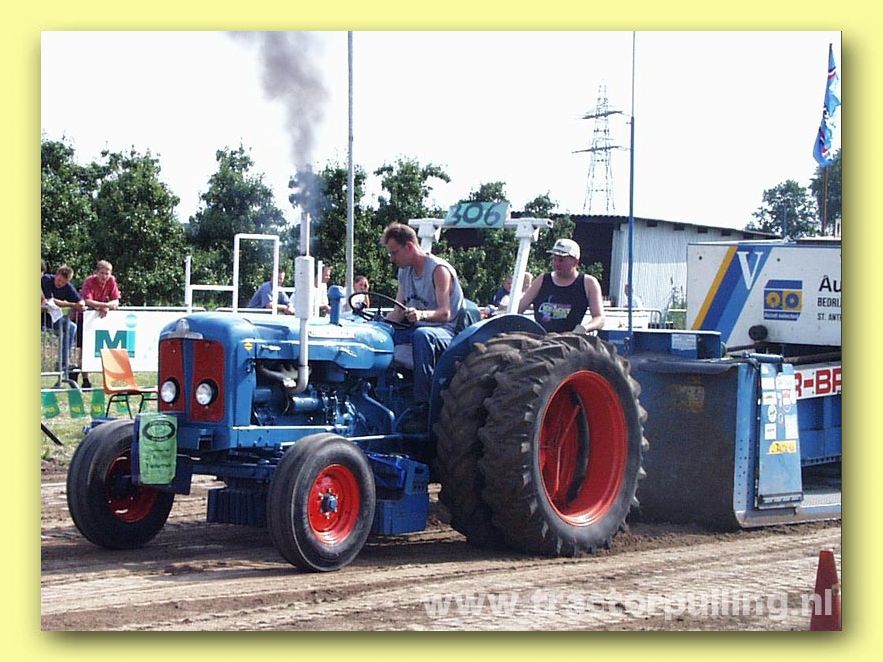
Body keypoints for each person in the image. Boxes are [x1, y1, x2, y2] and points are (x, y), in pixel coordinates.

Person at [381, 223, 464, 409]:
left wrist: (421, 314)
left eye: (394, 253)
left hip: (445, 332)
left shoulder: (438, 270)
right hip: (418, 329)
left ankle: (424, 404)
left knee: (422, 335)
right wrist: (378, 328)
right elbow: (397, 312)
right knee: (383, 338)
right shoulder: (404, 271)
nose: (392, 259)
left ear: (409, 247)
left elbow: (445, 313)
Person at [518, 238, 605, 333]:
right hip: (540, 337)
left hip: (568, 338)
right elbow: (518, 308)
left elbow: (599, 318)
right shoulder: (542, 279)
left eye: (561, 260)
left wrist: (584, 328)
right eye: (554, 259)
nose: (556, 264)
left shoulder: (588, 283)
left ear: (575, 262)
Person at [77, 259, 122, 387]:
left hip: (100, 320)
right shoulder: (89, 281)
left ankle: (109, 379)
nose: (104, 276)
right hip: (84, 318)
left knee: (101, 349)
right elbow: (87, 300)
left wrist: (106, 306)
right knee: (84, 349)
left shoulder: (111, 281)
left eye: (107, 273)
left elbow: (116, 301)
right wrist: (104, 306)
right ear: (96, 272)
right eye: (102, 273)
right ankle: (85, 379)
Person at [41, 265, 85, 382]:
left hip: (52, 318)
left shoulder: (68, 287)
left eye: (64, 282)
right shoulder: (46, 279)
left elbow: (79, 300)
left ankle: (63, 362)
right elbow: (51, 300)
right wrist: (72, 305)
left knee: (72, 327)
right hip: (40, 315)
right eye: (59, 280)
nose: (60, 283)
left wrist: (81, 304)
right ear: (56, 275)